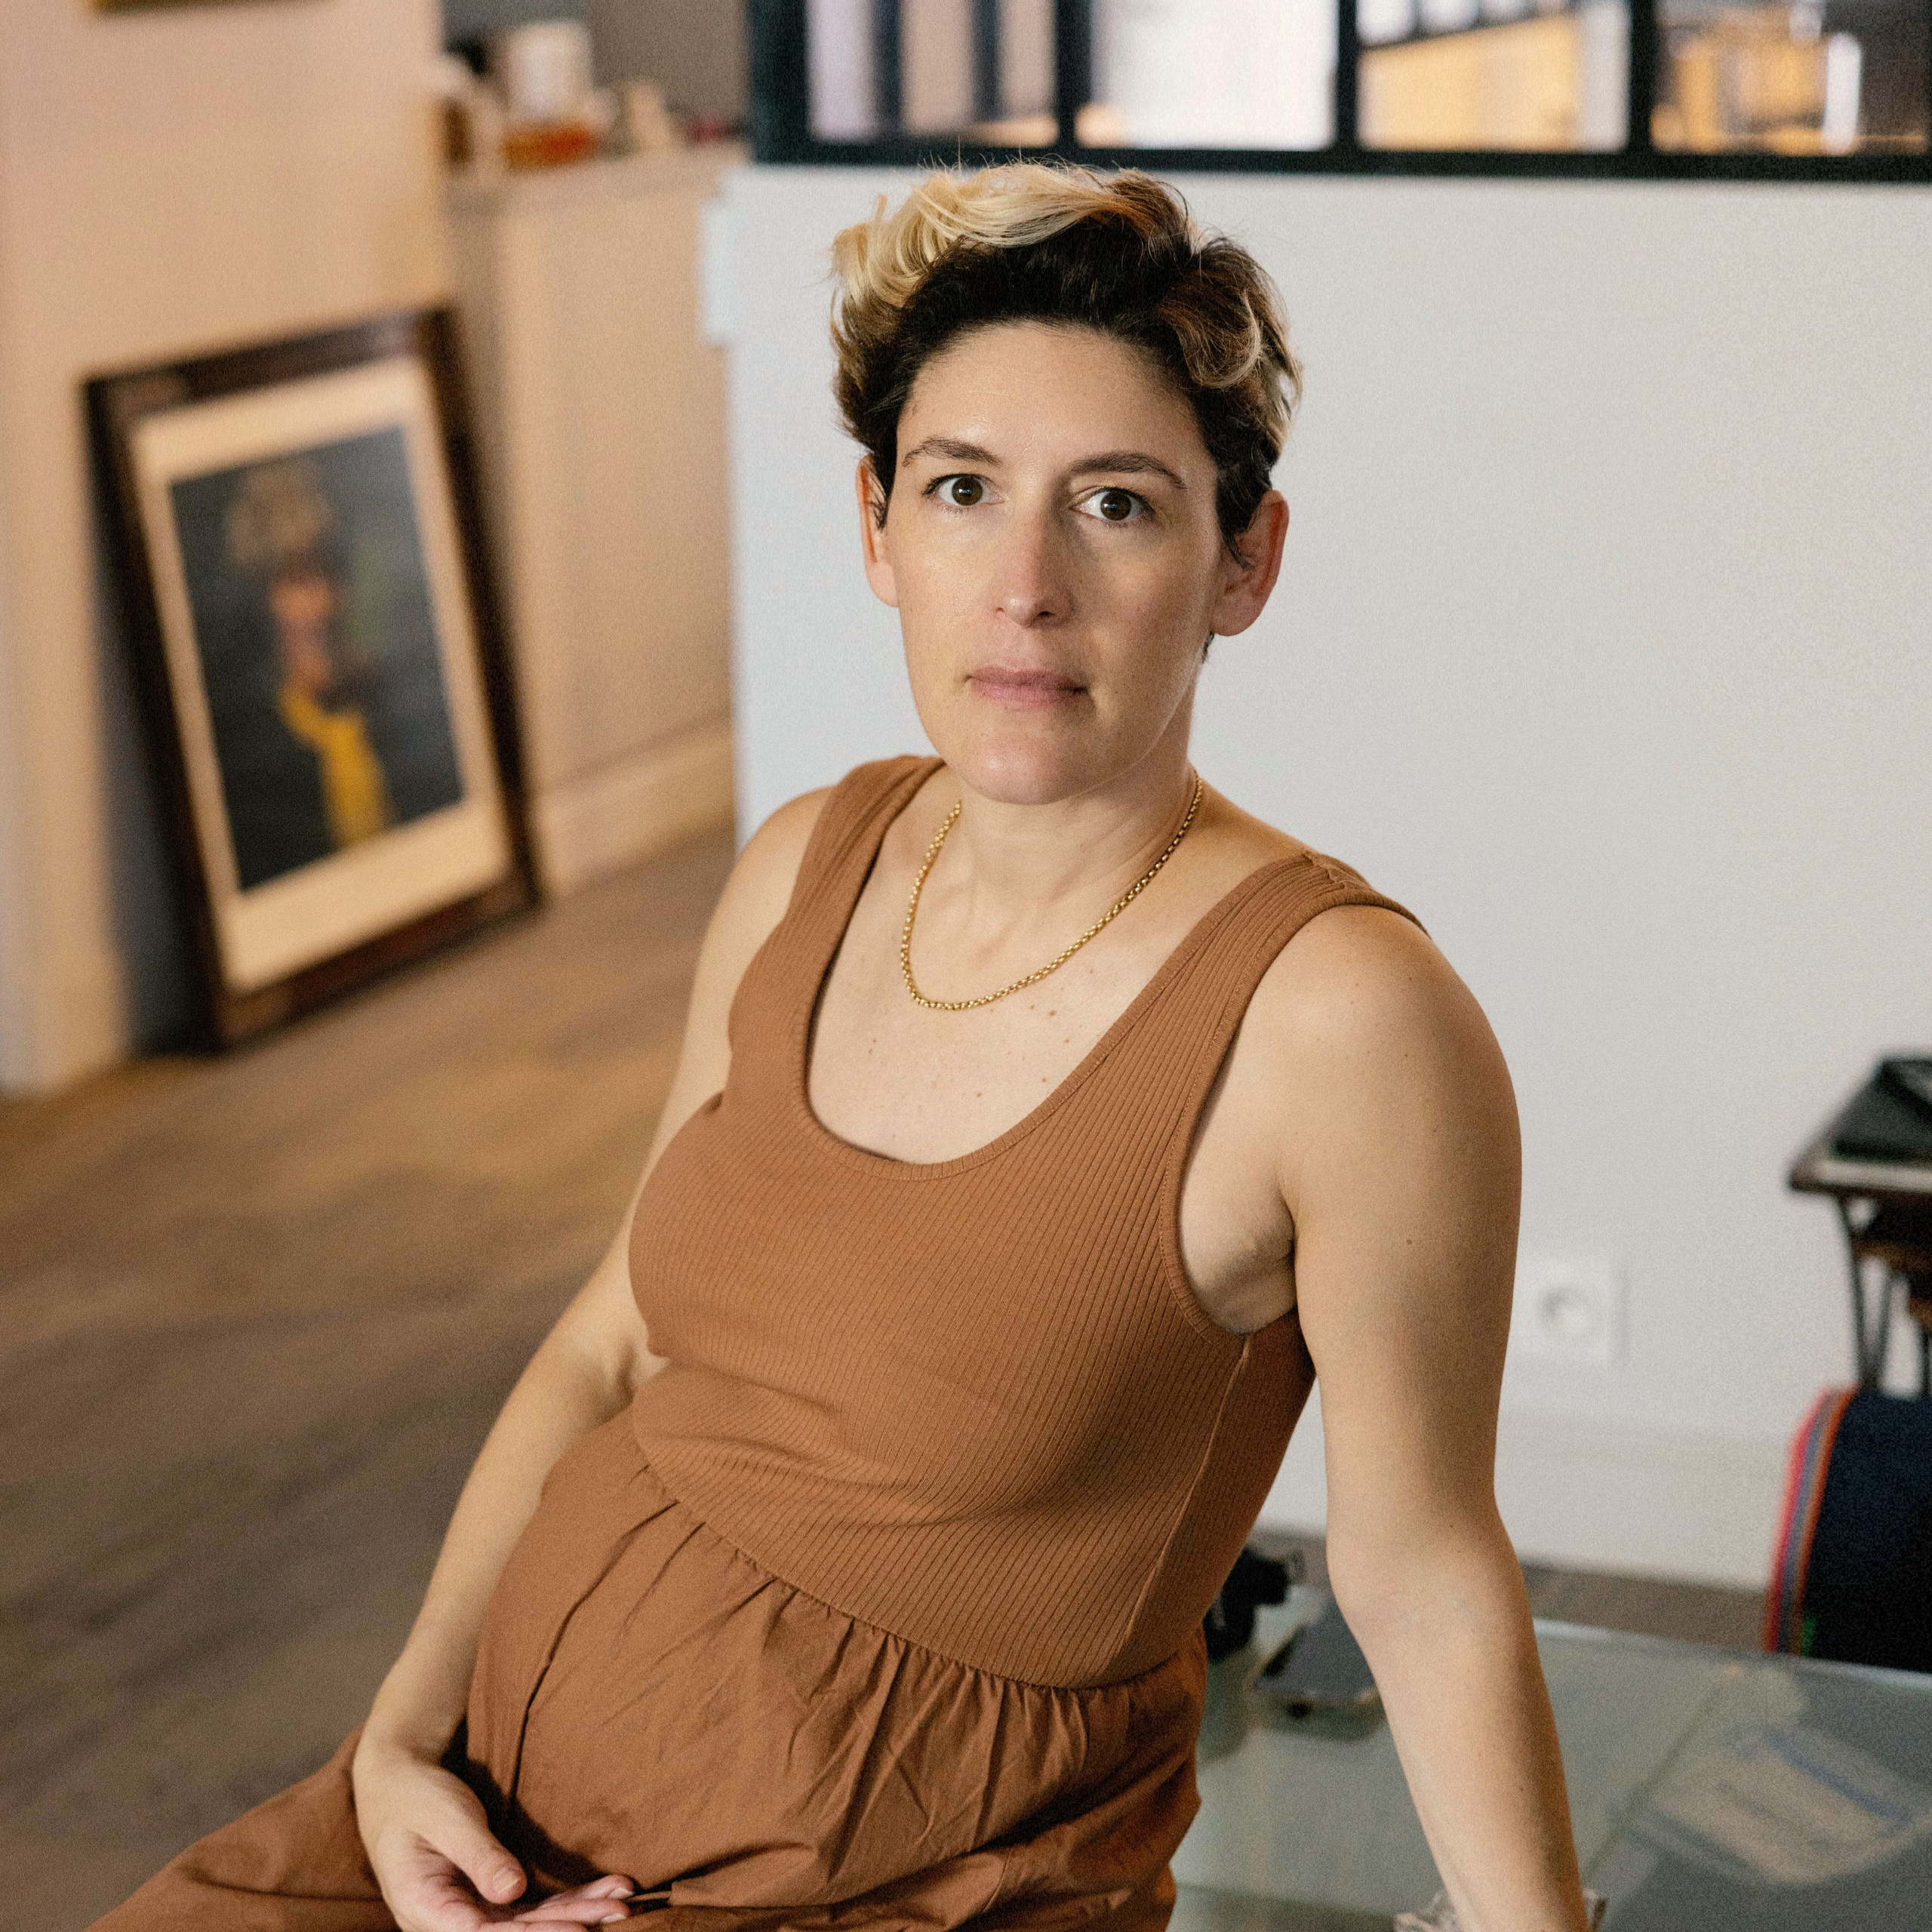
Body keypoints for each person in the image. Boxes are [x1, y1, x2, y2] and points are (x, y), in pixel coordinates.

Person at [94, 165, 1593, 1932]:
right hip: (479, 1813)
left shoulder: (1340, 1021)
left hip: (899, 1886)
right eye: (963, 491)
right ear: (879, 528)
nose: (1022, 585)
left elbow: (1418, 1566)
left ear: (1240, 560)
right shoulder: (805, 859)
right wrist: (394, 1743)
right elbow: (612, 1339)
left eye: (1113, 504)